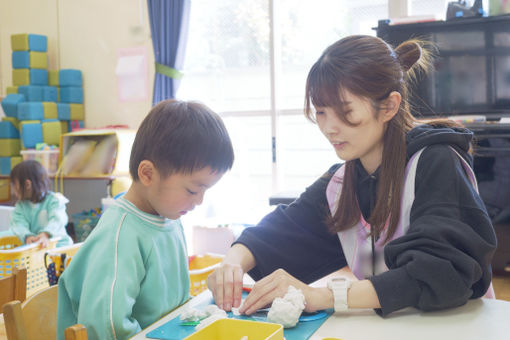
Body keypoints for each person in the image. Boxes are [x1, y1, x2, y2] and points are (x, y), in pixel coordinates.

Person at [207, 35, 497, 317]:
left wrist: (324, 297)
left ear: (389, 106)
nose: (330, 128)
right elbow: (279, 231)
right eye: (321, 112)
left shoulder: (436, 162)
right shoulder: (340, 183)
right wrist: (232, 263)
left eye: (345, 112)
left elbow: (440, 271)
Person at [56, 99, 234, 340]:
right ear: (148, 174)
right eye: (193, 190)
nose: (199, 201)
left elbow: (176, 305)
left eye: (206, 190)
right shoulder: (119, 236)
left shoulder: (170, 218)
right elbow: (106, 327)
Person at [0, 160, 72, 247]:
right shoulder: (21, 206)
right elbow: (18, 224)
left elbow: (57, 219)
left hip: (58, 244)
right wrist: (27, 236)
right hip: (34, 246)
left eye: (14, 185)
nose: (14, 190)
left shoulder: (54, 201)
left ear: (27, 185)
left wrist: (46, 234)